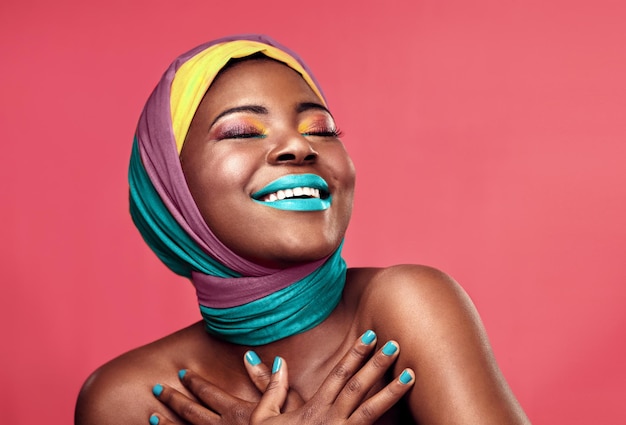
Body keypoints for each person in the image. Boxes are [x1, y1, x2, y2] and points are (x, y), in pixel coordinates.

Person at [75, 34, 531, 425]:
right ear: (170, 189)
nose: (297, 145)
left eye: (322, 128)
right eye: (241, 132)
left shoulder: (408, 306)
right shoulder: (127, 399)